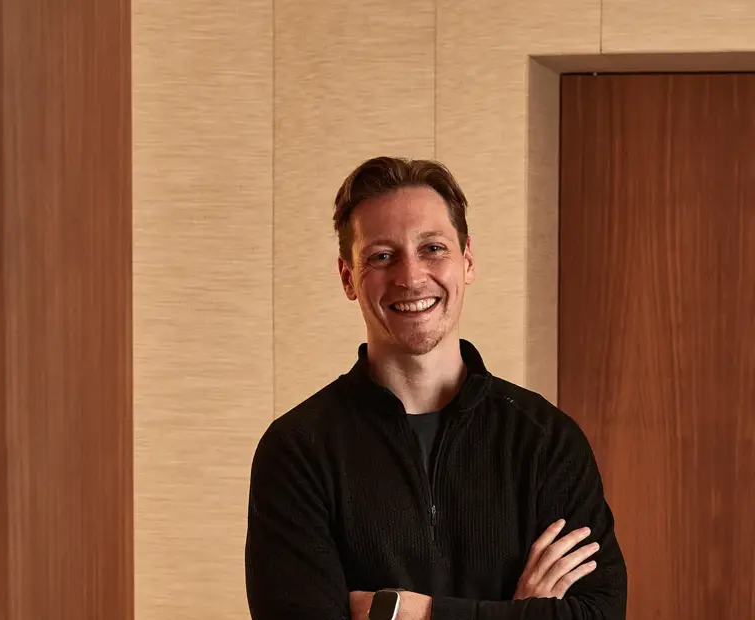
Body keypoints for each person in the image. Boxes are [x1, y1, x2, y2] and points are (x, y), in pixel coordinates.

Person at [245, 157, 627, 620]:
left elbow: (599, 614)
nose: (410, 277)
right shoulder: (298, 449)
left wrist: (415, 613)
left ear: (466, 261)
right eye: (382, 256)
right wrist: (518, 612)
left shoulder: (546, 439)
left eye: (432, 248)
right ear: (348, 278)